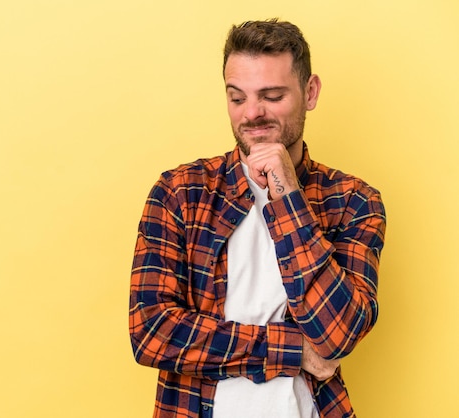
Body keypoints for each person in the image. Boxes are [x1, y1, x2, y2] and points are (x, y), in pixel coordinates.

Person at [128, 18, 386, 418]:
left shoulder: (353, 201)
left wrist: (286, 193)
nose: (252, 114)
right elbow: (152, 332)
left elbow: (338, 333)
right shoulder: (180, 193)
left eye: (272, 95)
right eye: (237, 98)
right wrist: (293, 349)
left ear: (310, 92)